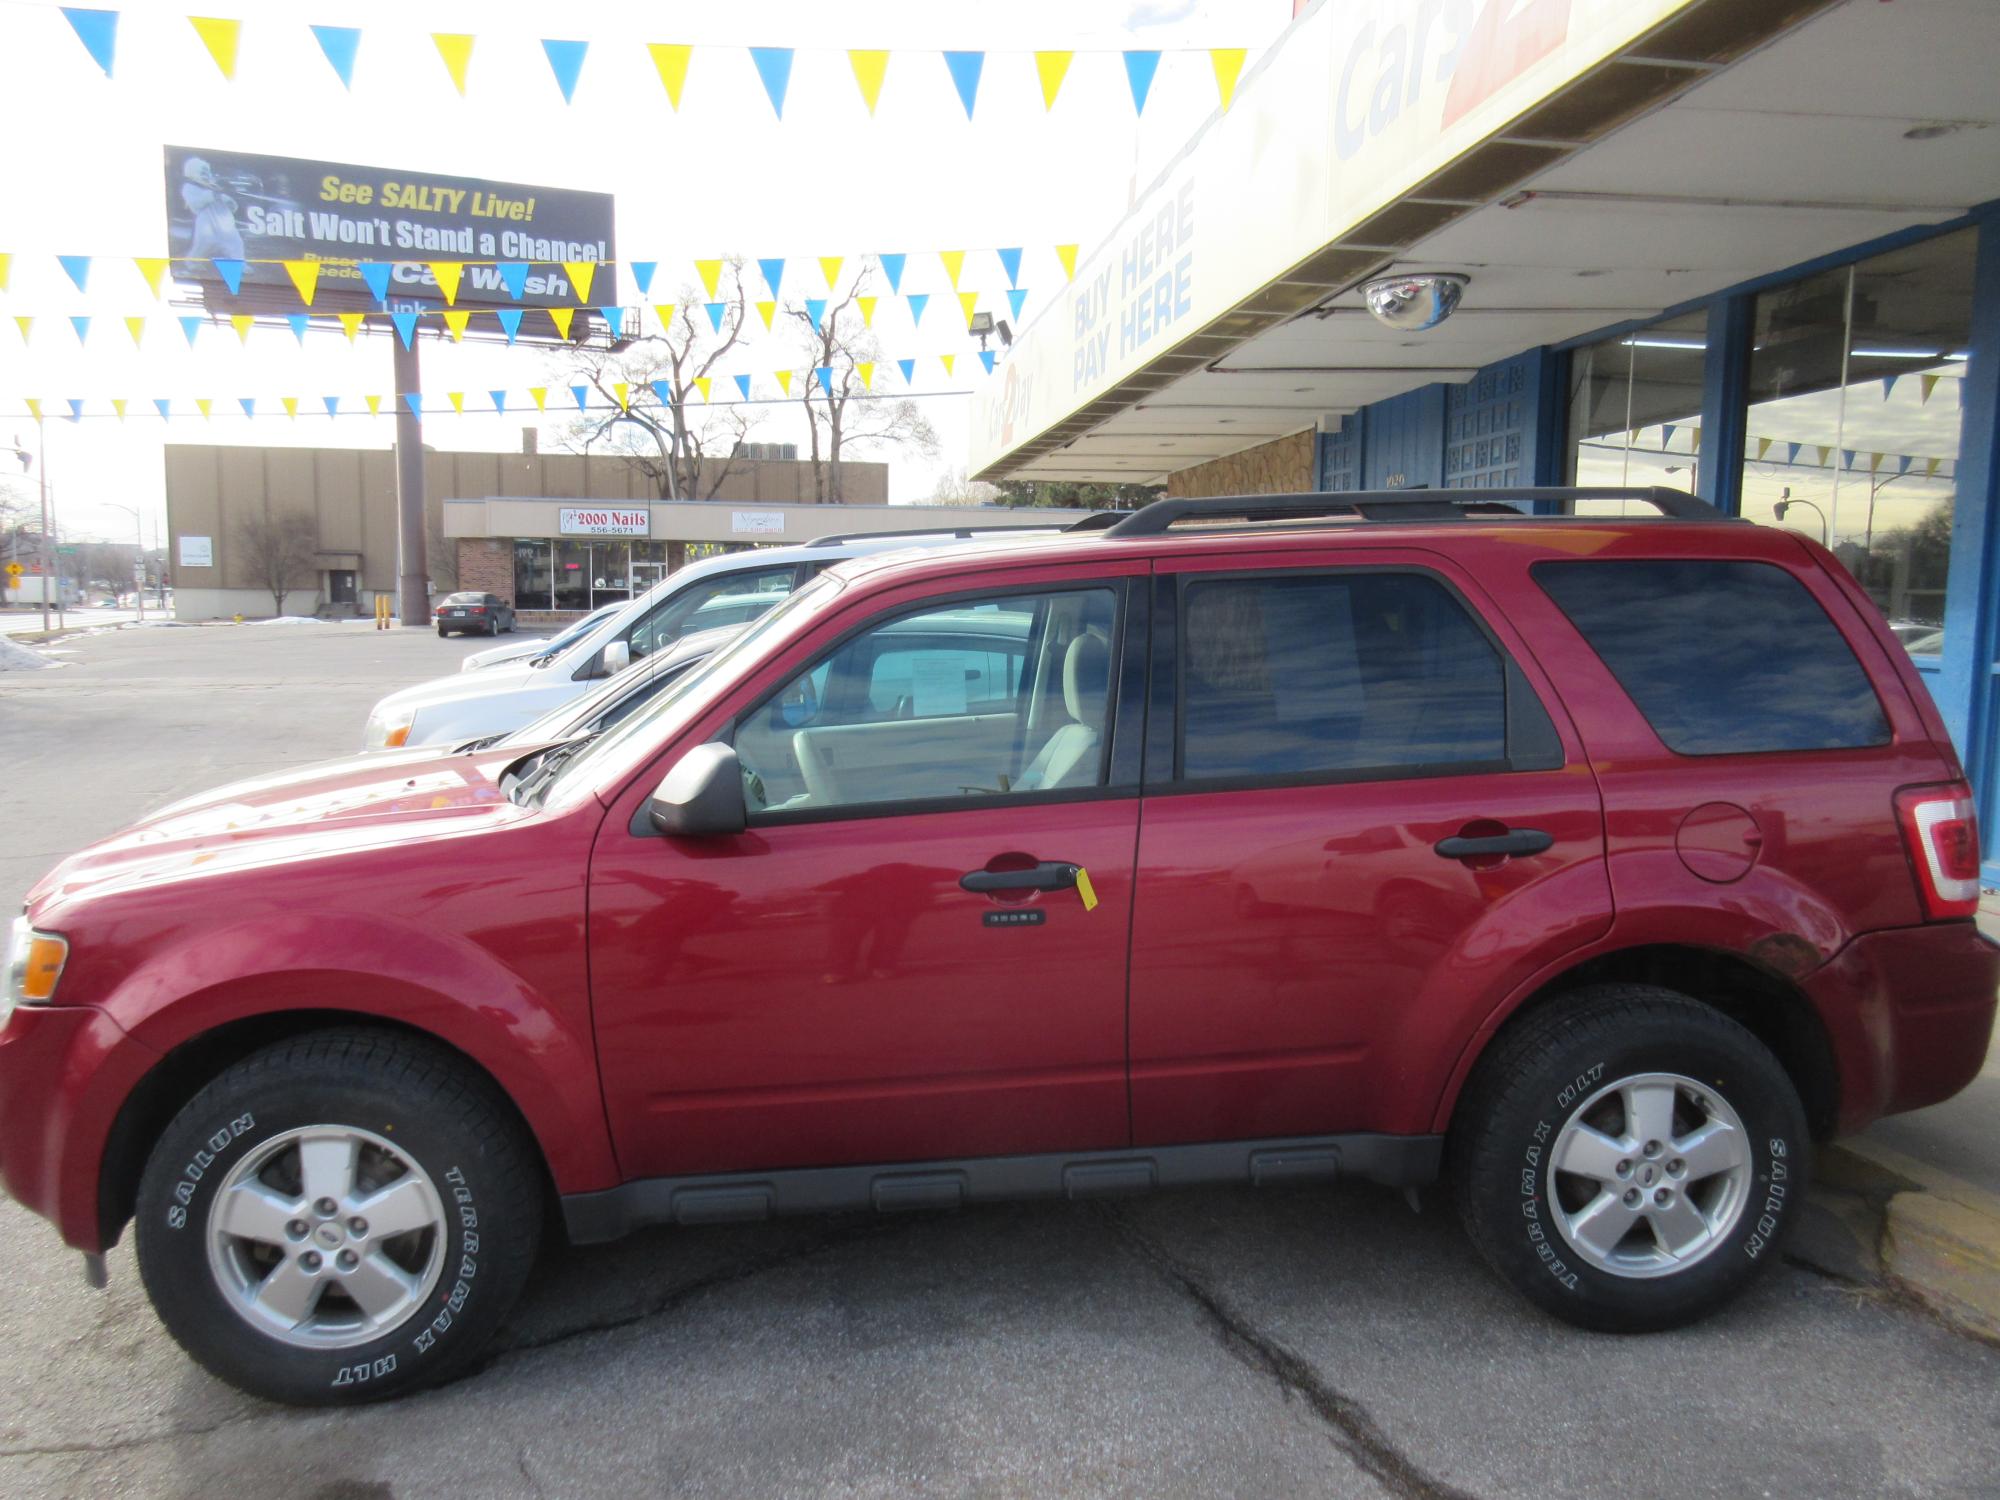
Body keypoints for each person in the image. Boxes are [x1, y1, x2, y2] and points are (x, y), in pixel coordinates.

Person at [181, 157, 245, 262]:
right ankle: (192, 263)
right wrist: (211, 195)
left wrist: (230, 203)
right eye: (202, 171)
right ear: (192, 172)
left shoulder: (214, 186)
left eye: (207, 171)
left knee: (236, 242)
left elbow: (225, 201)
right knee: (203, 244)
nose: (206, 174)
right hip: (206, 222)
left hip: (224, 221)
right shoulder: (189, 187)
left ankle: (240, 264)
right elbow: (195, 205)